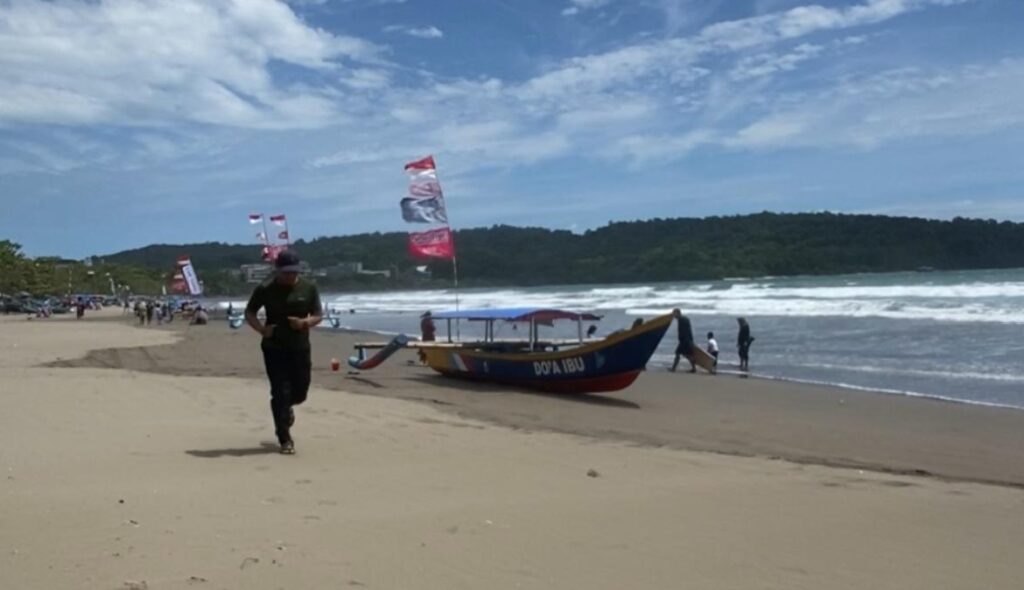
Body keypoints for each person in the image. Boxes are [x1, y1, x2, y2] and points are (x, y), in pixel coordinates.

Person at [245, 251, 323, 455]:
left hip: (300, 347)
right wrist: (262, 329)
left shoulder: (309, 287)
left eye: (294, 272)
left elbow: (318, 315)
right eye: (286, 272)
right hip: (274, 347)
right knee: (279, 392)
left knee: (300, 392)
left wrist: (305, 322)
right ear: (277, 270)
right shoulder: (265, 289)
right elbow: (250, 312)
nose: (290, 276)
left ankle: (288, 407)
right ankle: (284, 438)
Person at [670, 309, 696, 373]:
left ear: (678, 313)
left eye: (674, 314)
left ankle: (673, 369)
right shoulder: (685, 319)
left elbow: (682, 331)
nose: (673, 315)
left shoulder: (681, 320)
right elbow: (688, 330)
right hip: (688, 339)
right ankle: (693, 368)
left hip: (684, 340)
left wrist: (682, 340)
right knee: (687, 355)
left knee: (680, 354)